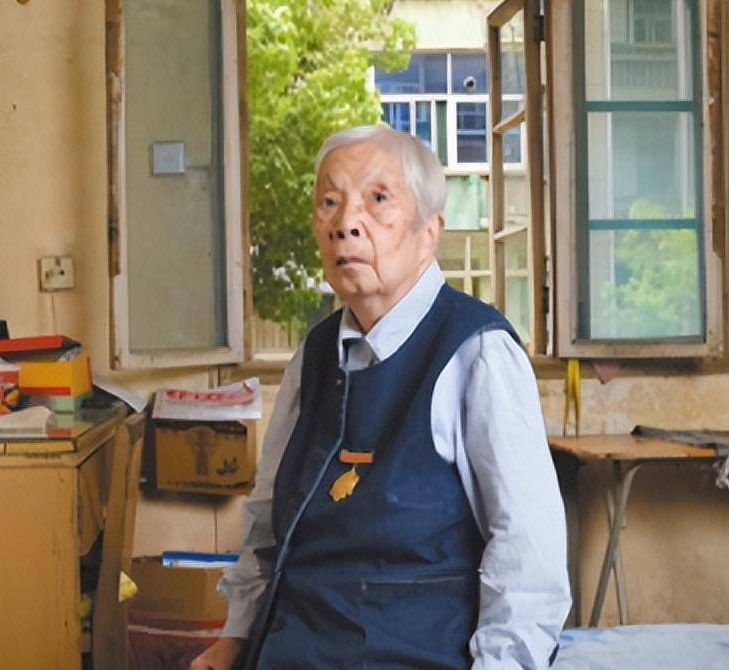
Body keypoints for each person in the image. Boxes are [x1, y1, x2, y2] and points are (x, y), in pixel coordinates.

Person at [191, 125, 570, 670]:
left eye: (377, 199)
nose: (345, 223)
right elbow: (268, 524)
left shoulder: (477, 353)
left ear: (428, 231)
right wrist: (235, 637)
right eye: (329, 202)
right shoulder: (313, 357)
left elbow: (527, 557)